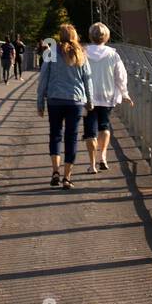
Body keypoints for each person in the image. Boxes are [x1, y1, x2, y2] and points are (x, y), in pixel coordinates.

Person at [36, 24, 93, 189]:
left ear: (59, 36)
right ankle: (67, 177)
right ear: (74, 36)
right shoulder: (80, 53)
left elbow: (43, 79)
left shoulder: (52, 53)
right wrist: (90, 101)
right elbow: (87, 79)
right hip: (75, 101)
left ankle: (55, 171)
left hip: (54, 99)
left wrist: (40, 102)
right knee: (71, 137)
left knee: (55, 135)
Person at [83, 22, 132, 173]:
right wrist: (125, 94)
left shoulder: (83, 52)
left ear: (91, 36)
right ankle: (103, 156)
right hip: (107, 95)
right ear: (107, 37)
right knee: (104, 125)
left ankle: (92, 165)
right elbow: (120, 77)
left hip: (88, 96)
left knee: (90, 130)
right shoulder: (113, 55)